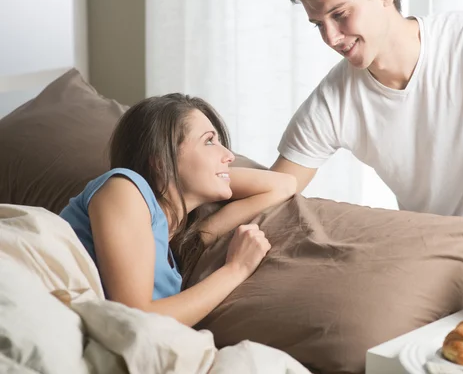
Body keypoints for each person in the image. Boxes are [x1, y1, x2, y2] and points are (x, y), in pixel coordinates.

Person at [272, 0, 463, 220]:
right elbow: (278, 188)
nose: (331, 38)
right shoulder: (333, 101)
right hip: (430, 255)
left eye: (340, 15)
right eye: (318, 24)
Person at [60, 93, 296, 326]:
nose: (229, 155)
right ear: (161, 159)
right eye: (209, 141)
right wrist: (236, 269)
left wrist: (214, 181)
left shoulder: (173, 246)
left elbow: (284, 185)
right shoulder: (124, 188)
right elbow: (136, 318)